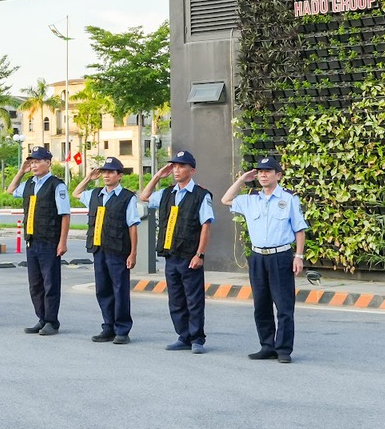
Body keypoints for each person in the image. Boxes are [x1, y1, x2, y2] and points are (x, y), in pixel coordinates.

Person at [222, 155, 308, 364]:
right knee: (261, 304)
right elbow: (226, 200)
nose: (262, 174)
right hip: (258, 256)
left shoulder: (288, 198)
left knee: (284, 305)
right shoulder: (250, 198)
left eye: (268, 171)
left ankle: (284, 349)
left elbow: (299, 229)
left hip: (280, 256)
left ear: (278, 175)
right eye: (260, 171)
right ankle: (267, 346)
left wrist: (298, 256)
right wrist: (242, 180)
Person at [140, 149, 214, 352]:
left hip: (190, 256)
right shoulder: (166, 193)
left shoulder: (201, 195)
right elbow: (144, 196)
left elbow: (206, 225)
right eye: (174, 166)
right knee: (176, 299)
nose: (176, 170)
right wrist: (157, 176)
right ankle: (183, 336)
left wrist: (200, 254)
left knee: (194, 299)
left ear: (192, 170)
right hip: (171, 255)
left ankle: (197, 339)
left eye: (181, 166)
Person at [71, 158, 142, 344]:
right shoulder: (95, 194)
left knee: (120, 290)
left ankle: (122, 330)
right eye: (103, 172)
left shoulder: (127, 197)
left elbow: (133, 226)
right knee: (103, 290)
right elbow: (76, 193)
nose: (106, 175)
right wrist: (88, 177)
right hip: (99, 249)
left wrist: (133, 253)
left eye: (110, 172)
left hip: (118, 250)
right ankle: (108, 326)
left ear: (120, 176)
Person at [9, 145, 70, 335]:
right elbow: (11, 190)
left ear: (48, 163)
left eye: (38, 162)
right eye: (32, 162)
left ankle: (52, 321)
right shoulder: (29, 184)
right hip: (32, 241)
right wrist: (21, 171)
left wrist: (62, 242)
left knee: (50, 283)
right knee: (35, 284)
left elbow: (65, 215)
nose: (34, 165)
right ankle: (41, 318)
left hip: (49, 241)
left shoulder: (56, 185)